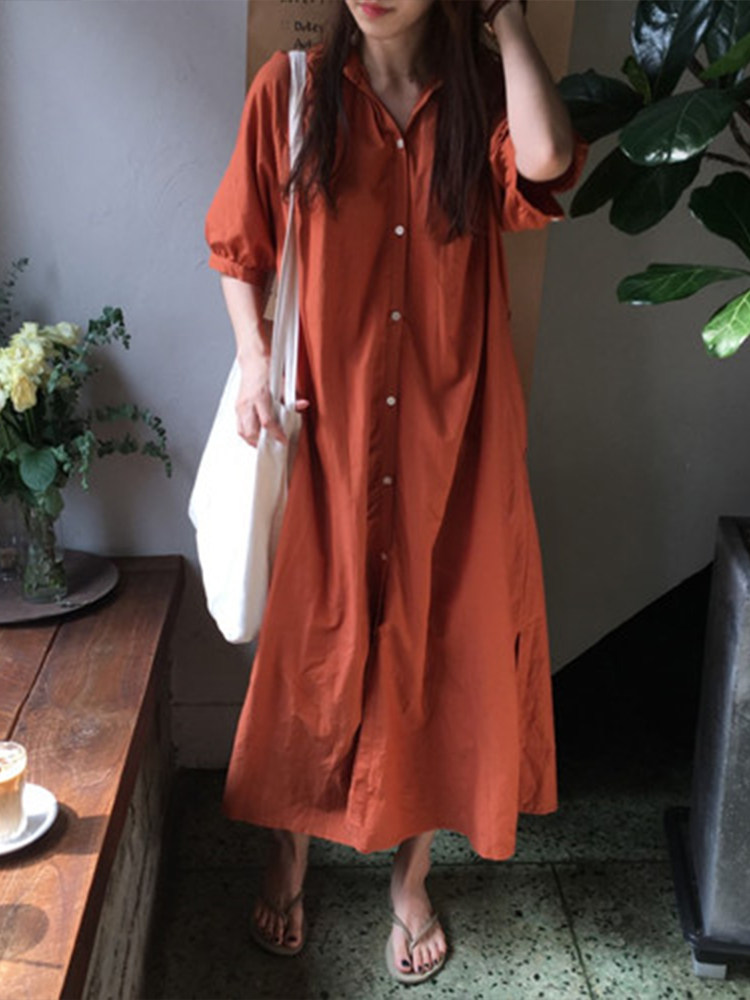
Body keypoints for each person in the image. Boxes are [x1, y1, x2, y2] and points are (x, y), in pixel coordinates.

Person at [204, 0, 585, 984]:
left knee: (441, 652)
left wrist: (506, 21)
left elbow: (547, 161)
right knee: (309, 650)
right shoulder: (291, 93)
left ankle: (411, 879)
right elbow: (239, 246)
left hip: (453, 440)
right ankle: (289, 851)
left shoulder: (484, 99)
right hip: (324, 432)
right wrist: (252, 362)